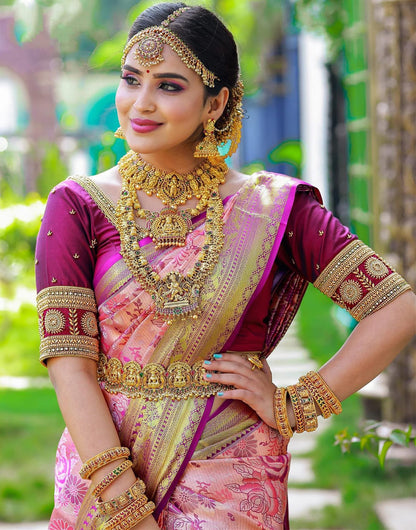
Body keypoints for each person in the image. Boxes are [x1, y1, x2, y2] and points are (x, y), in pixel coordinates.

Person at [35, 3, 416, 530]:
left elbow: (396, 307)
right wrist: (125, 508)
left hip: (231, 477)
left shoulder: (274, 210)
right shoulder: (77, 206)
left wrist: (294, 406)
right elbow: (69, 364)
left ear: (214, 104)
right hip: (102, 477)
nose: (140, 104)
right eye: (131, 79)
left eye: (169, 86)